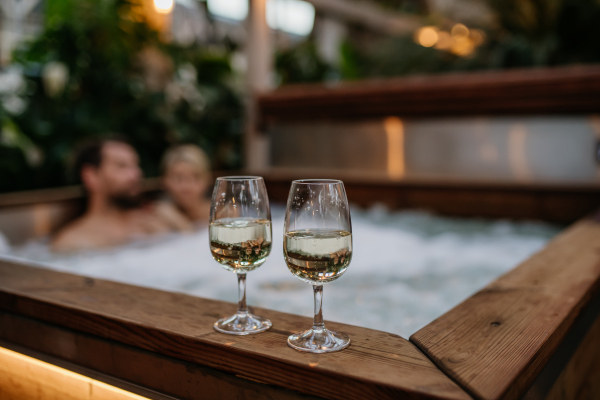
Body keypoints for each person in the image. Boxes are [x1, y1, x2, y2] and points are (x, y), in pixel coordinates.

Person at [52, 138, 171, 252]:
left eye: (136, 165)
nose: (136, 174)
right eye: (122, 166)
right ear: (91, 176)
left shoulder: (154, 223)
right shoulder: (72, 243)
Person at [155, 144, 212, 230]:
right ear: (164, 181)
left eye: (196, 177)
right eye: (178, 178)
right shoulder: (155, 219)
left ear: (207, 179)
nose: (187, 187)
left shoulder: (224, 214)